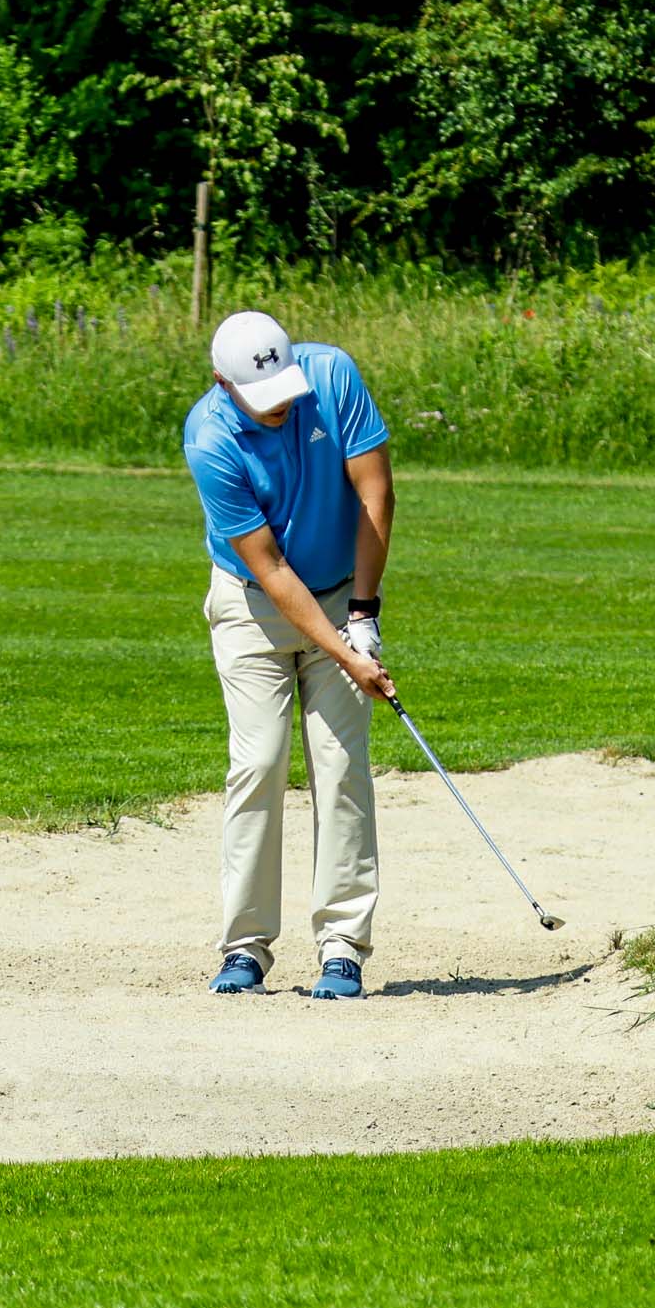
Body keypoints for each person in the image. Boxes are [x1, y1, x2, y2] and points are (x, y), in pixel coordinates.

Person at [182, 309, 395, 999]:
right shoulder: (210, 437)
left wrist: (364, 614)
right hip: (253, 606)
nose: (280, 408)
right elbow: (270, 569)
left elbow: (374, 491)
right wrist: (347, 654)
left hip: (338, 594)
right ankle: (245, 946)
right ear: (224, 383)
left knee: (340, 766)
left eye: (285, 392)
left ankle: (343, 947)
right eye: (261, 398)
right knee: (260, 762)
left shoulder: (331, 375)